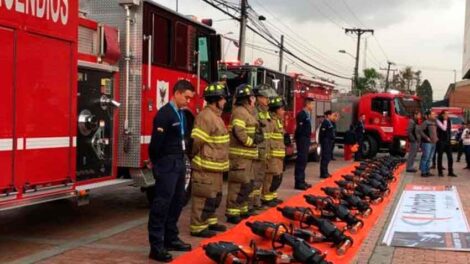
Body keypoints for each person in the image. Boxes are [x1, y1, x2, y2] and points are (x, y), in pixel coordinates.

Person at [148, 80, 194, 262]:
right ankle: (156, 246)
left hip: (179, 161)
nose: (188, 101)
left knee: (177, 201)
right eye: (187, 97)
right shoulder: (164, 114)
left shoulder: (181, 114)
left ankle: (171, 238)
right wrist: (159, 165)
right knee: (162, 204)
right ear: (177, 93)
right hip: (166, 163)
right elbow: (155, 146)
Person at [189, 83, 230, 238]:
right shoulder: (206, 116)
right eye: (223, 98)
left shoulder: (216, 116)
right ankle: (198, 227)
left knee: (214, 196)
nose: (225, 101)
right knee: (203, 196)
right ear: (215, 100)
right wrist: (195, 158)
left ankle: (210, 221)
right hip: (206, 166)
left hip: (215, 166)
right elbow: (197, 142)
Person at [225, 84, 261, 224]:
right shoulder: (240, 112)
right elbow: (239, 132)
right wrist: (252, 142)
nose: (254, 100)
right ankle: (232, 212)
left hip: (248, 156)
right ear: (247, 99)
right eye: (252, 97)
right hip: (240, 156)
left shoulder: (248, 112)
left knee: (247, 184)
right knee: (238, 184)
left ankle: (242, 208)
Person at [252, 84, 276, 209]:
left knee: (260, 179)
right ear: (258, 98)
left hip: (264, 151)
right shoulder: (254, 112)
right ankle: (252, 203)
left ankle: (256, 202)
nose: (268, 100)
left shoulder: (266, 113)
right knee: (254, 179)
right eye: (265, 98)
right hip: (256, 152)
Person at [261, 96, 286, 207]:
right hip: (272, 155)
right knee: (270, 177)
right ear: (276, 109)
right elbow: (267, 138)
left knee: (277, 177)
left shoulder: (278, 121)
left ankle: (272, 195)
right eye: (282, 109)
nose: (283, 111)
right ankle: (266, 197)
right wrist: (268, 154)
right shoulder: (270, 122)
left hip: (279, 154)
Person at [294, 96, 314, 190]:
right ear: (307, 104)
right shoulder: (302, 114)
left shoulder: (307, 114)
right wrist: (300, 140)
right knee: (301, 160)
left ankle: (302, 180)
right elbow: (300, 129)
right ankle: (298, 182)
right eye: (312, 104)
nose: (313, 106)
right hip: (302, 139)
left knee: (304, 160)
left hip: (306, 139)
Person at [436, 111, 457, 177]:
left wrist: (450, 138)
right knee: (440, 157)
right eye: (446, 114)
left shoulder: (449, 120)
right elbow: (444, 128)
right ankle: (440, 172)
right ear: (442, 115)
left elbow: (449, 129)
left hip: (448, 141)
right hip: (441, 141)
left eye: (448, 114)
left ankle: (450, 172)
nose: (447, 115)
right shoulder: (438, 120)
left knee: (450, 157)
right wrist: (445, 120)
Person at [419, 110, 438, 178]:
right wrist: (426, 138)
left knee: (430, 158)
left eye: (434, 114)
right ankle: (423, 172)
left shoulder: (435, 122)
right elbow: (420, 131)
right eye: (433, 114)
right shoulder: (425, 122)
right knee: (425, 157)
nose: (434, 115)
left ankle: (427, 171)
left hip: (434, 142)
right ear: (429, 115)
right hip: (427, 143)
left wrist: (436, 138)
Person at [319, 110, 335, 179]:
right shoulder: (325, 123)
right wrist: (323, 142)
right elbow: (322, 134)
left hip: (329, 142)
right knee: (325, 158)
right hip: (326, 142)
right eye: (331, 115)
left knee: (327, 157)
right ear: (328, 115)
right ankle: (323, 173)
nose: (332, 116)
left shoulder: (329, 122)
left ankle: (326, 171)